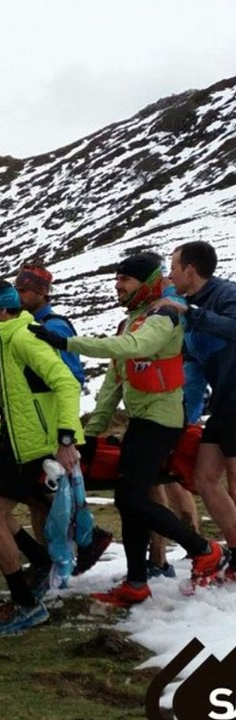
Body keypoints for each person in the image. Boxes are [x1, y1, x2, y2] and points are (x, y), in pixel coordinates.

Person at [31, 252, 227, 605]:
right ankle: (136, 582)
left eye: (125, 280)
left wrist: (65, 342)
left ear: (146, 283)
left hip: (162, 420)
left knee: (130, 497)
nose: (117, 286)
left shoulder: (163, 316)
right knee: (130, 502)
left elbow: (135, 348)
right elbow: (114, 383)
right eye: (117, 279)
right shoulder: (132, 321)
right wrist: (91, 434)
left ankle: (204, 549)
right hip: (142, 420)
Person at [0, 280, 83, 634]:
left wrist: (65, 439)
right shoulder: (10, 339)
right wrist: (0, 435)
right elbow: (18, 397)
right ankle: (41, 558)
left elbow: (66, 382)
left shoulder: (25, 338)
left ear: (3, 311)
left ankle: (25, 604)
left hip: (35, 446)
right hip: (15, 443)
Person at [13, 263, 115, 578]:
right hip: (39, 425)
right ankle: (57, 556)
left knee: (50, 495)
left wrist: (64, 432)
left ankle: (72, 549)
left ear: (42, 293)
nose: (19, 296)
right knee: (39, 497)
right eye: (17, 290)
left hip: (52, 426)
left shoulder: (54, 327)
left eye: (25, 291)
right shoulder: (29, 324)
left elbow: (71, 376)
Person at [158, 240, 236, 569]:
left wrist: (190, 312)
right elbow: (192, 368)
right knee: (204, 478)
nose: (170, 275)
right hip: (223, 405)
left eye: (174, 268)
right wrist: (181, 422)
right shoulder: (186, 302)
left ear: (190, 270)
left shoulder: (226, 294)